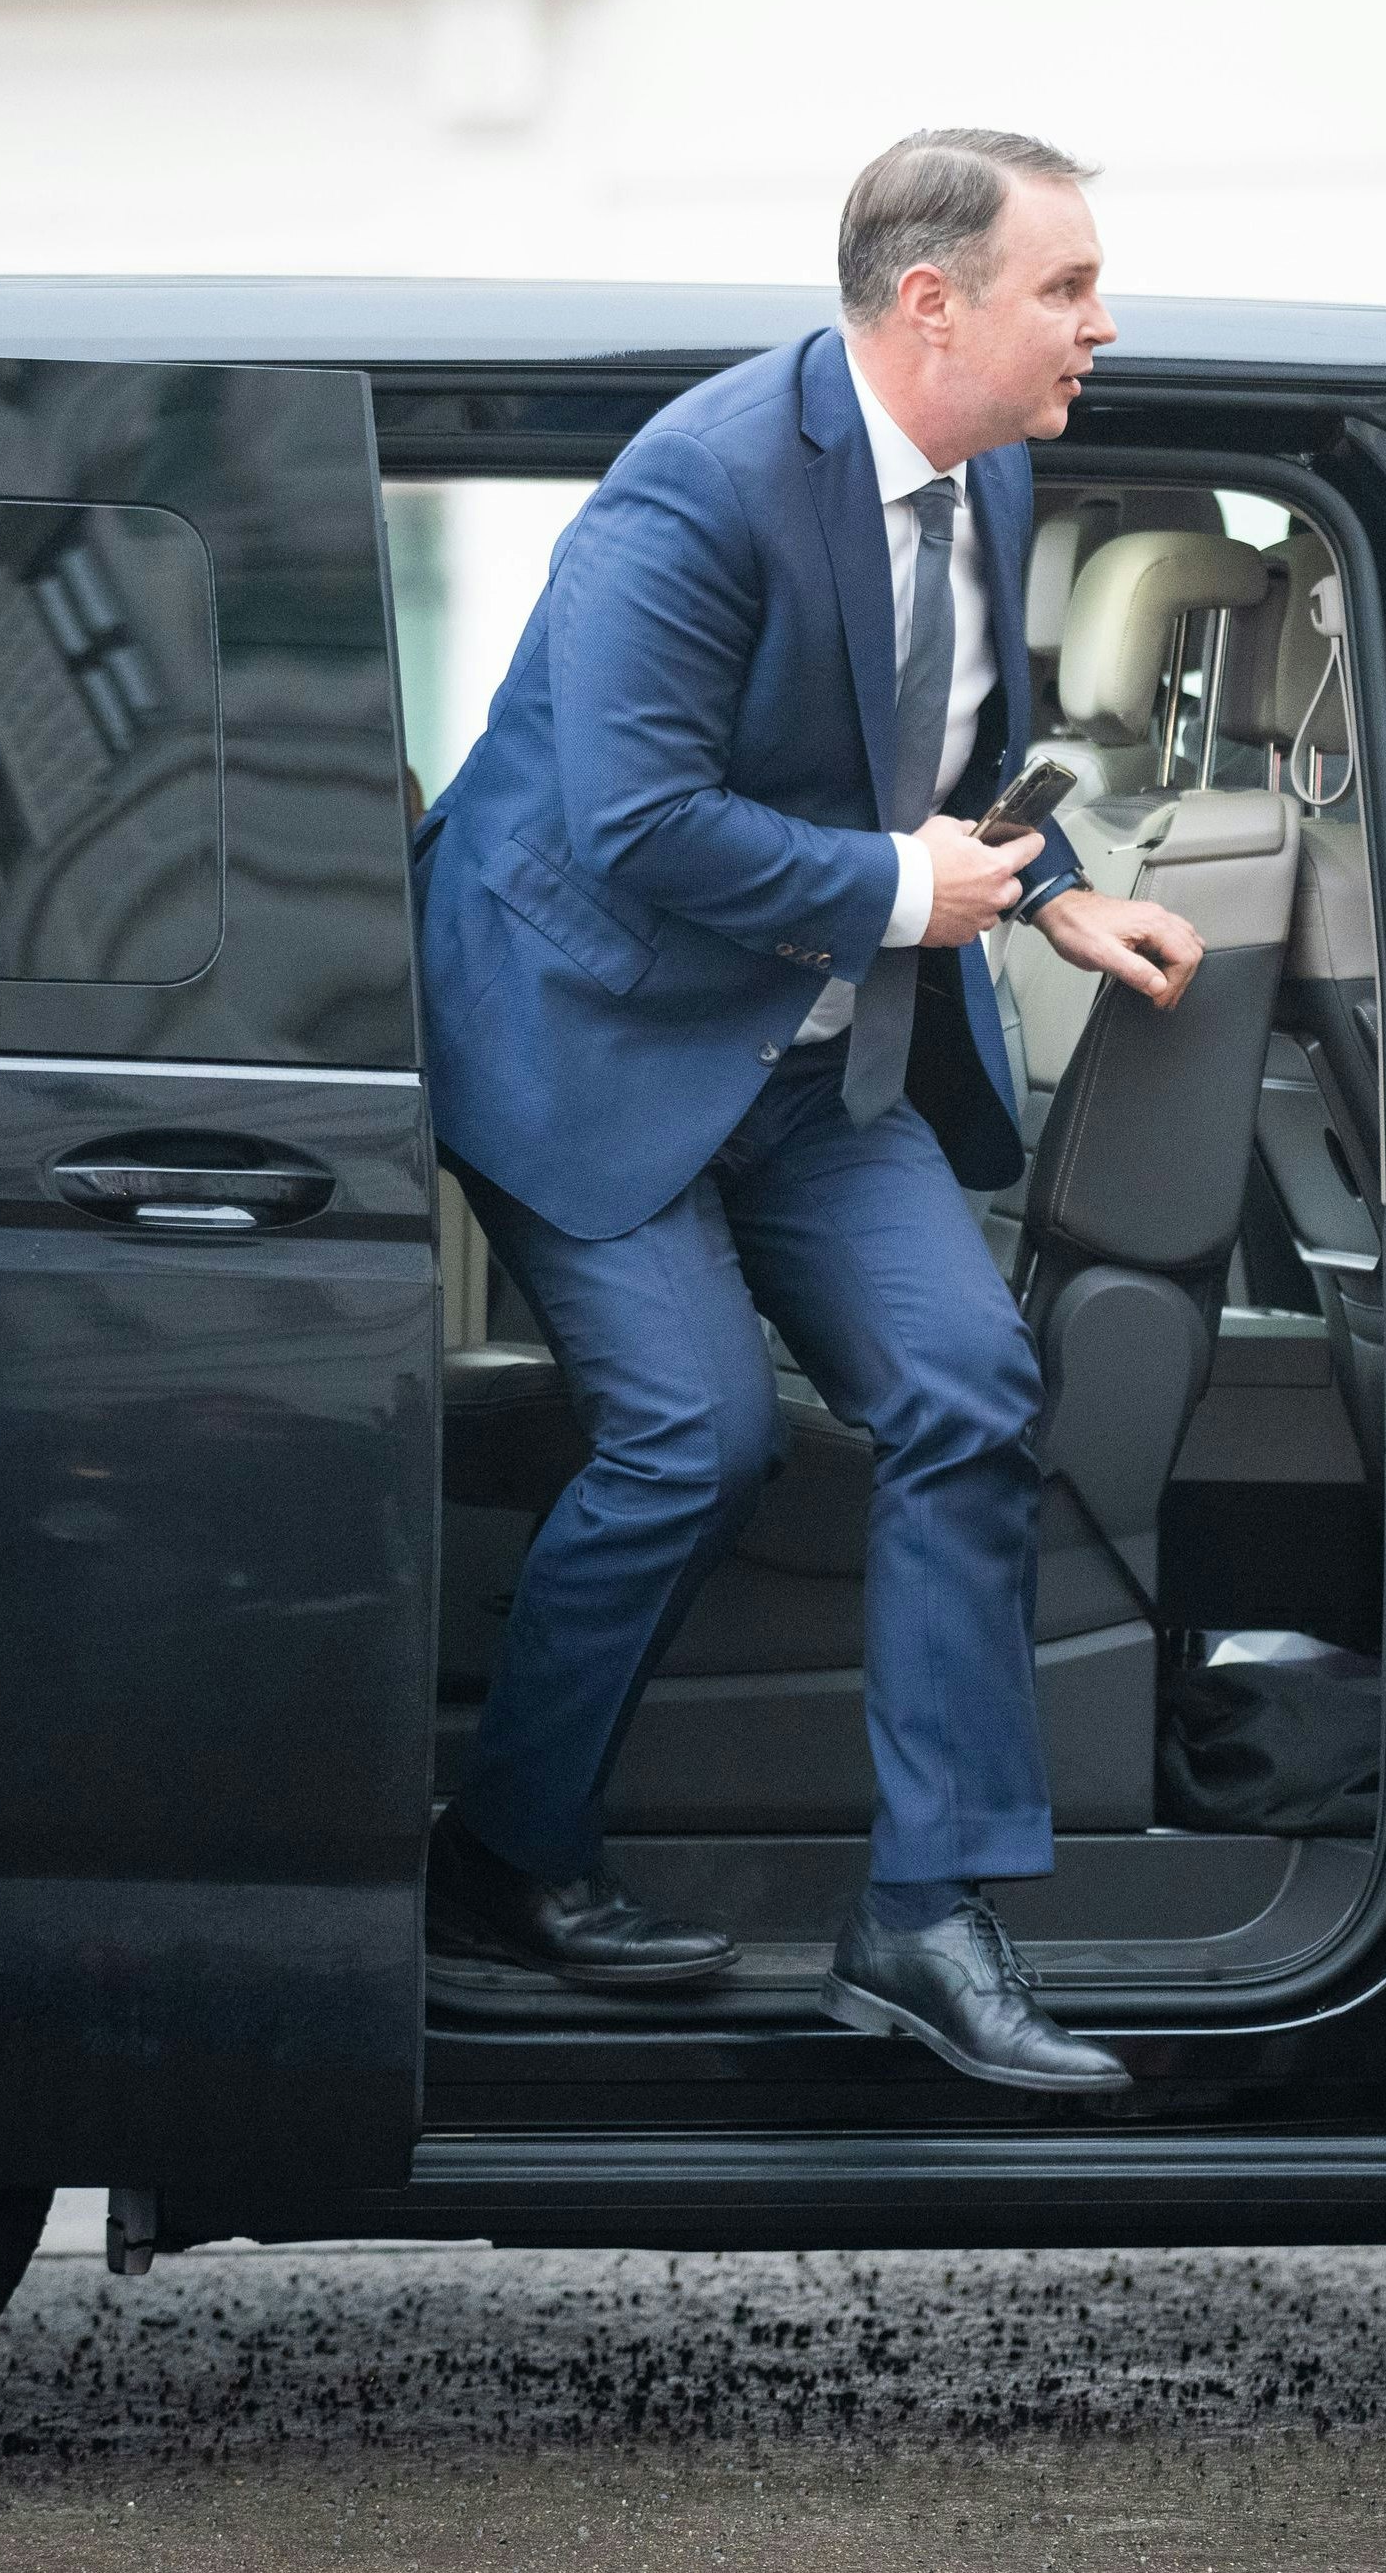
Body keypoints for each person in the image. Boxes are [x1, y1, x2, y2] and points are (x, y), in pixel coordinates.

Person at [411, 129, 1204, 2093]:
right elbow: (634, 817)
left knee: (971, 1385)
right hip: (589, 1027)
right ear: (930, 304)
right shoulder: (698, 490)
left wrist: (1049, 883)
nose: (1103, 322)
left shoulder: (992, 465)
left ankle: (922, 1916)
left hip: (821, 1058)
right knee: (693, 1434)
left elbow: (952, 743)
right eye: (1068, 287)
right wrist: (891, 893)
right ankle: (499, 1860)